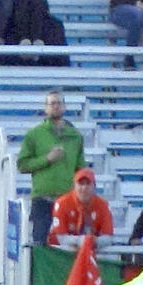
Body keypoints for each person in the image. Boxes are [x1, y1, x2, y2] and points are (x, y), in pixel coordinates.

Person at [17, 90, 85, 250]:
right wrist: (47, 159)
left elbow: (80, 169)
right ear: (45, 108)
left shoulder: (75, 136)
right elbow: (22, 165)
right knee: (40, 244)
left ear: (65, 107)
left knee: (70, 246)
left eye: (59, 103)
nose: (56, 106)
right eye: (52, 103)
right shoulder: (34, 134)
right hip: (43, 198)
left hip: (68, 199)